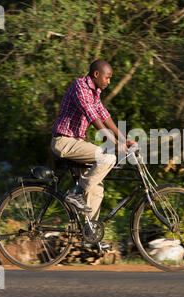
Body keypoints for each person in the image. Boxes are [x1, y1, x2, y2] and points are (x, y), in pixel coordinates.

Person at [51, 59, 136, 230]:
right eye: (107, 77)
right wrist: (114, 142)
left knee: (96, 188)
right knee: (106, 157)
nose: (109, 82)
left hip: (77, 142)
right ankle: (75, 193)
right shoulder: (80, 87)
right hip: (64, 141)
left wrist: (122, 139)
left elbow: (104, 115)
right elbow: (93, 117)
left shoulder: (94, 92)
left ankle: (90, 234)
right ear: (96, 75)